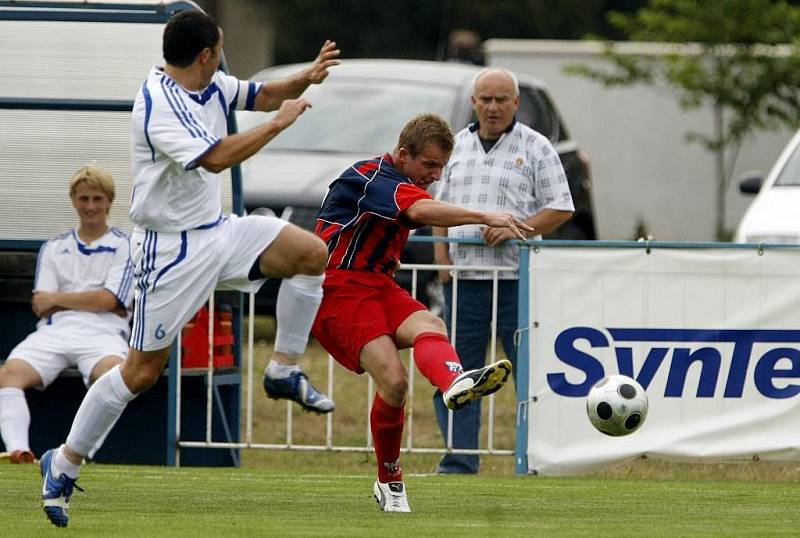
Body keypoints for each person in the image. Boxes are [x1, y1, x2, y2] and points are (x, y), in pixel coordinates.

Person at [39, 10, 340, 527]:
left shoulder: (209, 82)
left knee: (311, 254)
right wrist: (278, 124)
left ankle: (283, 369)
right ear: (206, 54)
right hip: (169, 253)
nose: (223, 56)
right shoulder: (158, 104)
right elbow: (218, 158)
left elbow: (259, 94)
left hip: (216, 231)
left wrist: (304, 77)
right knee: (140, 373)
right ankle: (62, 463)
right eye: (220, 47)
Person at [311, 113, 533, 512]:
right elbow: (420, 212)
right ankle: (390, 481)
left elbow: (421, 207)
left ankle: (453, 383)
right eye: (429, 165)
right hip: (338, 289)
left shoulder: (405, 182)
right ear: (403, 155)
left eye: (441, 167)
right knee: (394, 381)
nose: (434, 174)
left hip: (378, 285)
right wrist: (485, 215)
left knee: (431, 323)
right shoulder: (370, 177)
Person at [432, 67, 575, 474]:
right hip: (464, 281)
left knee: (528, 376)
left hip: (517, 279)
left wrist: (516, 229)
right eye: (485, 99)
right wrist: (442, 258)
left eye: (501, 100)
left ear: (516, 103)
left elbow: (561, 207)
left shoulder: (536, 147)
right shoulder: (455, 145)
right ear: (473, 103)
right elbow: (437, 207)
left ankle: (533, 459)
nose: (492, 108)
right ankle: (459, 462)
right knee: (457, 374)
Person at [0, 166, 133, 465]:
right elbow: (41, 305)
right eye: (83, 198)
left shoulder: (125, 246)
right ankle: (18, 451)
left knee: (114, 376)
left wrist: (60, 299)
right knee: (9, 374)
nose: (90, 207)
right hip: (54, 331)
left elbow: (111, 299)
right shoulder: (54, 247)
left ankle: (78, 456)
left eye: (97, 199)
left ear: (110, 201)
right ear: (73, 200)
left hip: (104, 333)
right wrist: (91, 300)